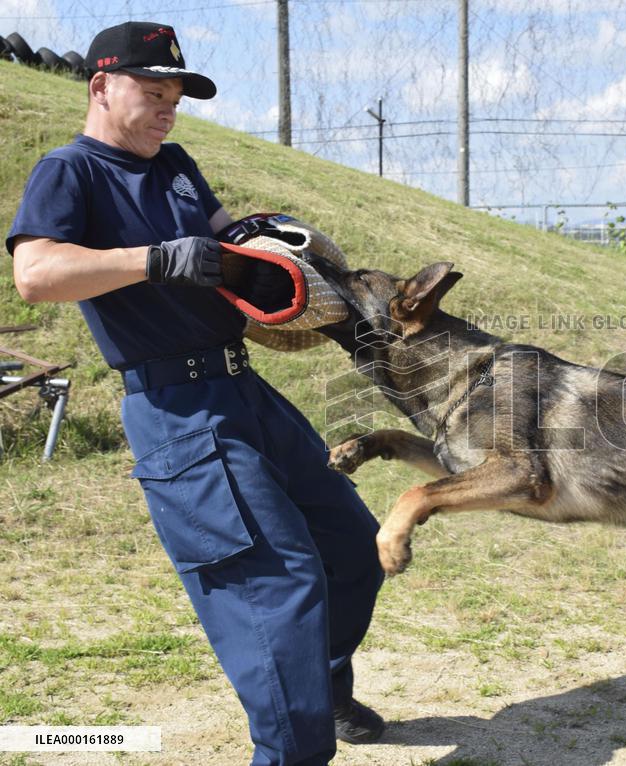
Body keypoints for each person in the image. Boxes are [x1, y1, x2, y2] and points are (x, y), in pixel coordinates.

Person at [6, 21, 384, 765]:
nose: (167, 108)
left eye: (175, 95)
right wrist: (153, 260)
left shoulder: (174, 162)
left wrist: (268, 243)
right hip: (178, 414)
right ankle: (291, 752)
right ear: (100, 87)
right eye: (153, 92)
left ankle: (322, 689)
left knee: (351, 549)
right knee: (277, 587)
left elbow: (227, 238)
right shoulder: (69, 171)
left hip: (244, 389)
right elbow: (36, 274)